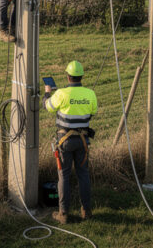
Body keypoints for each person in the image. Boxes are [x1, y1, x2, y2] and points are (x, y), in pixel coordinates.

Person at [43, 60, 98, 224]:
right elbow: (93, 111)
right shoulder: (90, 94)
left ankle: (64, 213)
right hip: (83, 141)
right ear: (81, 76)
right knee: (83, 175)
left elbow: (48, 107)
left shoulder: (60, 93)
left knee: (64, 176)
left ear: (67, 76)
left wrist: (47, 93)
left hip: (64, 142)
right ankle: (86, 211)